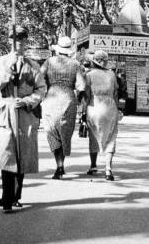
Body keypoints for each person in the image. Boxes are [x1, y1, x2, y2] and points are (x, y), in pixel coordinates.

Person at [0, 26, 45, 213]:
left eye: (22, 39)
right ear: (9, 41)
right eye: (14, 39)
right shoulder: (1, 62)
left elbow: (41, 89)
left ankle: (16, 195)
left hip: (25, 114)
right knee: (7, 155)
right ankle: (6, 198)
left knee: (22, 156)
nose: (18, 43)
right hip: (6, 110)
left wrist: (29, 101)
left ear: (26, 41)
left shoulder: (33, 65)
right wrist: (9, 70)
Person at [37, 36, 87, 179]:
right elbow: (82, 86)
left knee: (51, 131)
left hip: (51, 98)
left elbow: (39, 78)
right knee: (65, 133)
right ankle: (61, 165)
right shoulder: (76, 64)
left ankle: (59, 165)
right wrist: (78, 100)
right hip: (68, 99)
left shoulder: (49, 62)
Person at [80, 50, 125, 180]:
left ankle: (93, 165)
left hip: (94, 106)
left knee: (93, 136)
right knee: (111, 137)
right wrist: (117, 109)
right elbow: (116, 94)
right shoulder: (111, 74)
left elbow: (86, 95)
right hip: (110, 107)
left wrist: (83, 111)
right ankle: (108, 169)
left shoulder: (89, 75)